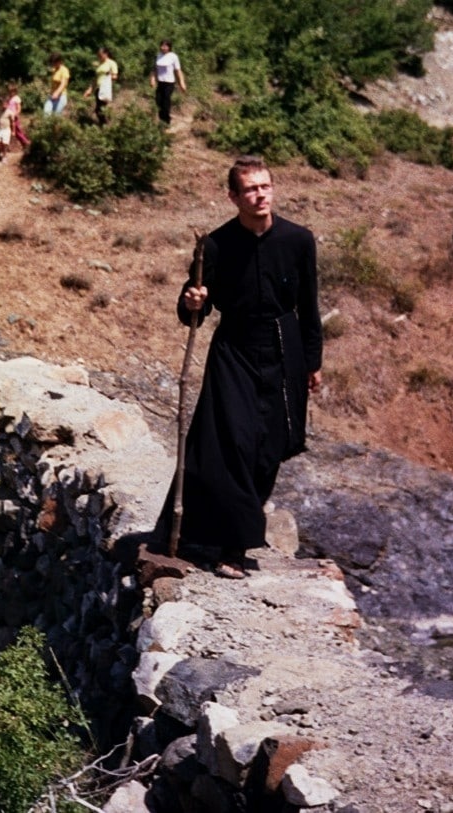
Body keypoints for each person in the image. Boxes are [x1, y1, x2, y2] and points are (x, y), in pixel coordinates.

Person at [159, 156, 323, 578]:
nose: (260, 195)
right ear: (233, 196)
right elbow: (193, 308)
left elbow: (309, 308)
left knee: (271, 446)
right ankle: (233, 547)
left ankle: (227, 530)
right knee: (232, 443)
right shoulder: (214, 245)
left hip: (285, 349)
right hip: (234, 350)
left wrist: (313, 362)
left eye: (265, 186)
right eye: (250, 189)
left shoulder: (299, 240)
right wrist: (192, 301)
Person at [150, 39, 186, 125]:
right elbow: (154, 69)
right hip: (160, 82)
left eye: (165, 46)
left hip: (169, 83)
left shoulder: (173, 56)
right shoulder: (158, 56)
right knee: (158, 101)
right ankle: (161, 120)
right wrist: (152, 79)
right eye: (162, 45)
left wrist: (182, 83)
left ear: (169, 47)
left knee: (166, 101)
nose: (163, 47)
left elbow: (178, 71)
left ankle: (166, 121)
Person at [83, 47, 118, 126]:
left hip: (105, 89)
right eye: (98, 55)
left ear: (106, 54)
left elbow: (115, 76)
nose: (99, 57)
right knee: (99, 110)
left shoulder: (111, 63)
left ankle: (106, 125)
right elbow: (96, 79)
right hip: (98, 89)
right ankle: (103, 125)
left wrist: (108, 75)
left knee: (100, 109)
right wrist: (90, 90)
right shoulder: (99, 64)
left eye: (100, 55)